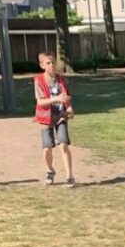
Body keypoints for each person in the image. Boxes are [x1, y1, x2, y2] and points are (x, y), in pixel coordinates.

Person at [34, 52, 76, 187]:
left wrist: (69, 109)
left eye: (53, 62)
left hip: (60, 116)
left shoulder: (62, 80)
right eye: (48, 63)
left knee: (63, 145)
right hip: (45, 117)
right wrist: (55, 99)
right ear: (42, 65)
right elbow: (40, 102)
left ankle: (69, 176)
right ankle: (50, 170)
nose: (51, 65)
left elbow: (66, 98)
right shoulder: (39, 80)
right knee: (47, 148)